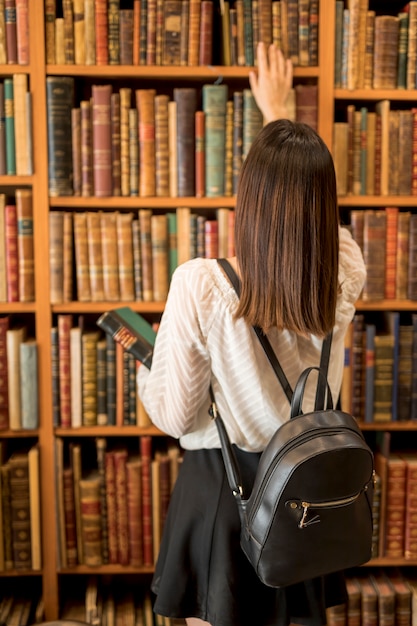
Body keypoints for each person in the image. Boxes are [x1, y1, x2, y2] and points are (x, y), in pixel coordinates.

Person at [137, 41, 366, 626]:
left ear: (249, 205)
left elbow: (175, 416)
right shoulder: (344, 272)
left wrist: (147, 368)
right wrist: (281, 112)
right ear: (324, 205)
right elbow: (310, 213)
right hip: (304, 497)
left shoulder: (201, 286)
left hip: (226, 496)